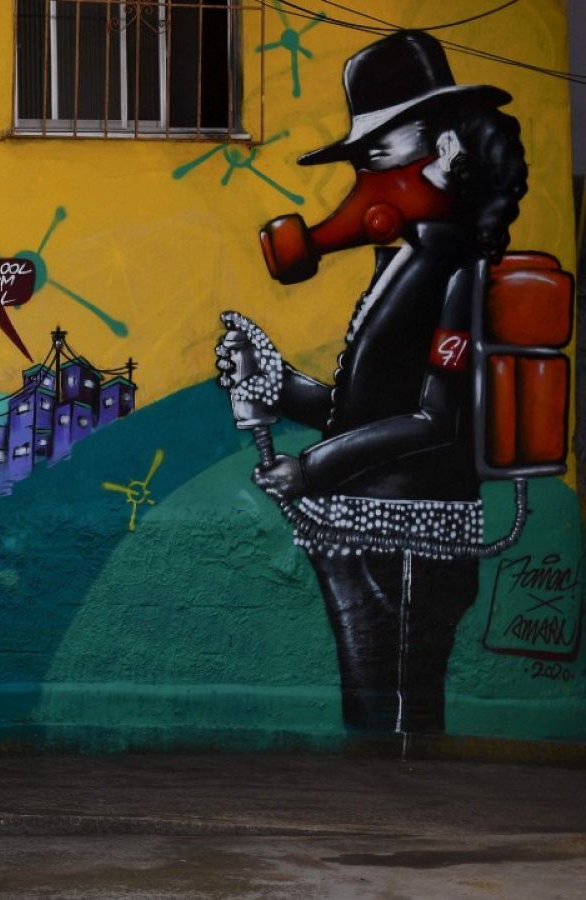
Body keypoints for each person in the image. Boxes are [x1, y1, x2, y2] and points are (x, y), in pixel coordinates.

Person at [219, 31, 528, 736]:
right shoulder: (409, 263)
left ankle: (404, 798)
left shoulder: (459, 273)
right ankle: (392, 790)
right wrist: (275, 381)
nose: (366, 185)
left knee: (393, 711)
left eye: (378, 156)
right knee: (376, 706)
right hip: (370, 530)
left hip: (412, 534)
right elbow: (363, 406)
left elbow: (436, 420)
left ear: (447, 150)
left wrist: (312, 468)